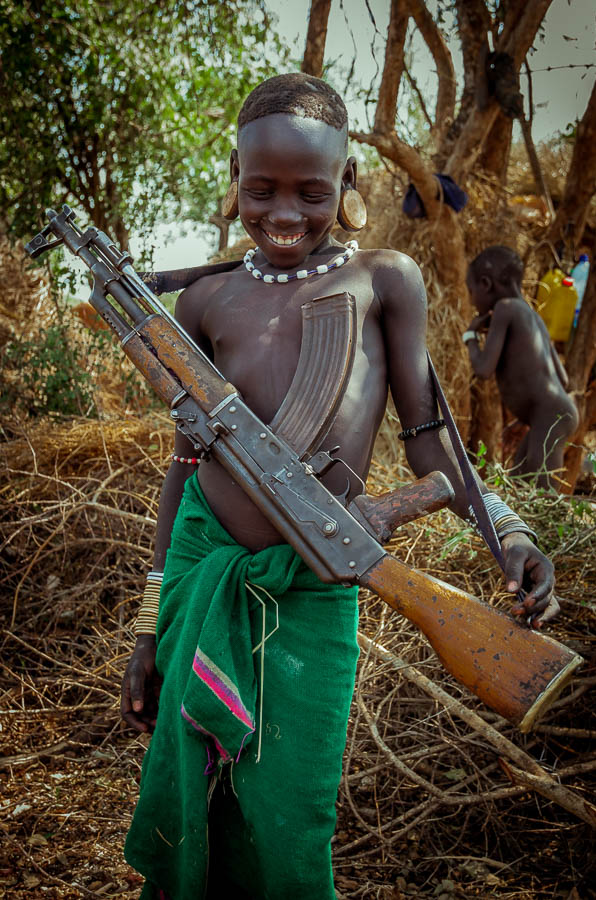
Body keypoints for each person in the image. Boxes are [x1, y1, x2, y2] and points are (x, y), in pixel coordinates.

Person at [121, 75, 558, 900]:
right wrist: (148, 628)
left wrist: (505, 533)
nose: (285, 215)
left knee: (291, 822)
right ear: (234, 177)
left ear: (349, 183)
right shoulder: (205, 297)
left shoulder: (385, 279)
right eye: (262, 191)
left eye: (312, 193)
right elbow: (182, 467)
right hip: (200, 569)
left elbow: (432, 445)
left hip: (317, 591)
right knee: (186, 815)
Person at [464, 245, 579, 489]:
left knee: (541, 492)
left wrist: (471, 336)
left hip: (550, 416)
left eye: (471, 291)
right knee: (519, 481)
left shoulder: (505, 309)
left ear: (485, 284)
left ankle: (546, 527)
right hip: (554, 413)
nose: (471, 300)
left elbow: (483, 369)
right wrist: (526, 416)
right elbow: (564, 380)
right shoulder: (533, 315)